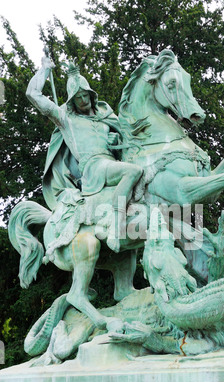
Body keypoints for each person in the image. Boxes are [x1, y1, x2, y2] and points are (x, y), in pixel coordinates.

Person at [26, 55, 143, 252]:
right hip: (93, 168)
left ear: (91, 95)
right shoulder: (66, 119)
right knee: (133, 172)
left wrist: (117, 142)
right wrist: (45, 69)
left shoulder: (105, 116)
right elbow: (32, 94)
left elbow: (126, 143)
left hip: (109, 163)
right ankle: (116, 224)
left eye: (84, 95)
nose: (82, 100)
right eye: (77, 97)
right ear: (72, 100)